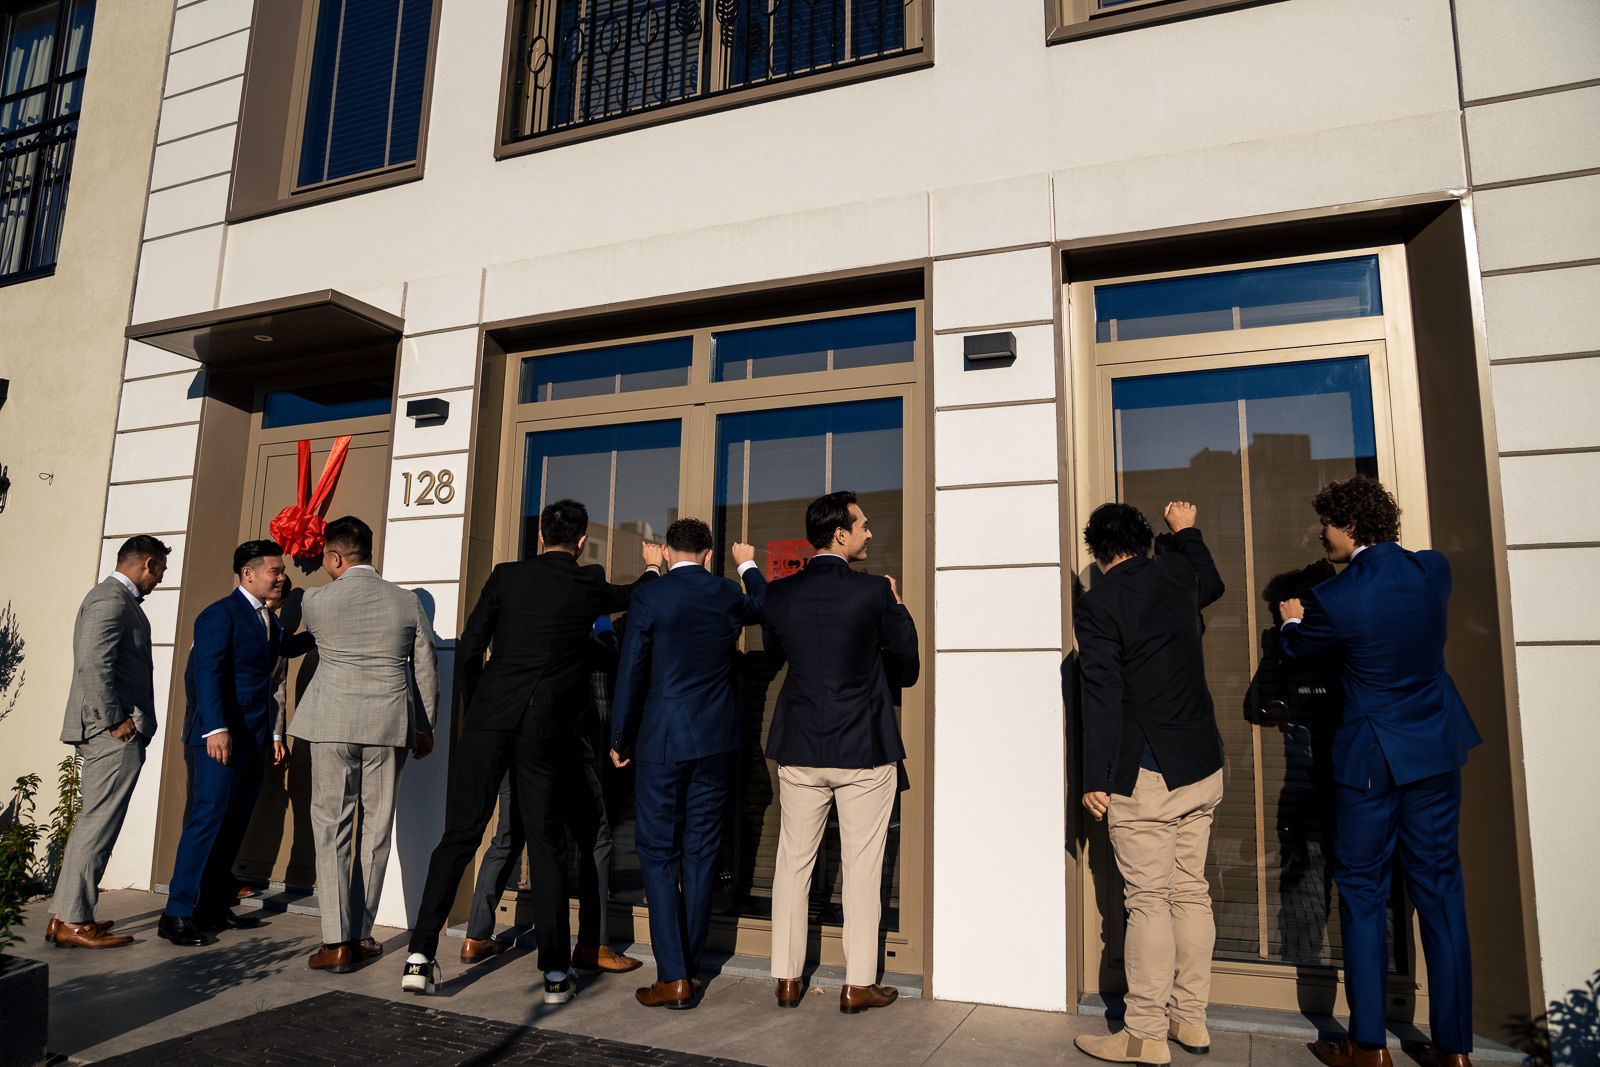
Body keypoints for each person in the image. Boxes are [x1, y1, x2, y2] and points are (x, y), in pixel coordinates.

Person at [403, 499, 662, 1002]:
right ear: (581, 541)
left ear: (540, 535)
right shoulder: (586, 582)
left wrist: (479, 708)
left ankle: (418, 956)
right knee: (546, 844)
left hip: (488, 722)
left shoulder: (505, 576)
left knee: (459, 836)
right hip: (547, 728)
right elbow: (633, 594)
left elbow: (472, 644)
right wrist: (654, 566)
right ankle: (554, 974)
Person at [1278, 477, 1481, 1067]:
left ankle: (1368, 1046)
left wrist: (1291, 619)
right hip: (1436, 752)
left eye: (1328, 526)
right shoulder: (1434, 571)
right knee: (1441, 893)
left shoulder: (1333, 599)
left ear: (1351, 528)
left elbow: (1297, 651)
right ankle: (1453, 1050)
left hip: (1368, 761)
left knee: (1363, 894)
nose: (1322, 536)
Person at [1072, 501, 1227, 1067]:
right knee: (1190, 891)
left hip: (1149, 773)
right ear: (1144, 539)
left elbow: (1103, 694)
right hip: (1201, 763)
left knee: (1148, 901)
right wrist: (1186, 534)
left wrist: (1097, 778)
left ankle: (1143, 1034)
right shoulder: (1177, 572)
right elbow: (1213, 581)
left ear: (1097, 552)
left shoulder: (1098, 605)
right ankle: (1191, 1020)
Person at [763, 490, 918, 1014]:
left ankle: (786, 977)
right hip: (862, 749)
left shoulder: (780, 594)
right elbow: (907, 660)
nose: (870, 533)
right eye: (864, 525)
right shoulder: (875, 592)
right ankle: (857, 983)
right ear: (840, 534)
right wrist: (896, 606)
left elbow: (773, 651)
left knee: (792, 863)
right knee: (862, 866)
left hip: (801, 745)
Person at [610, 518, 767, 1009]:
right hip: (716, 739)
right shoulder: (725, 593)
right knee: (700, 853)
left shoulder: (652, 595)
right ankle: (690, 971)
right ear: (707, 552)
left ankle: (672, 976)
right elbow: (762, 605)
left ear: (668, 551)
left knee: (658, 855)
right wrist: (748, 564)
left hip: (662, 739)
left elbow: (632, 667)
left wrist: (619, 735)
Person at [291, 516, 438, 973]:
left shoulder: (315, 600)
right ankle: (361, 934)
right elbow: (425, 668)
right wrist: (425, 725)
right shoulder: (407, 602)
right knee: (375, 832)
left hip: (331, 723)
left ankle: (334, 942)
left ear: (335, 557)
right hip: (388, 725)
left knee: (331, 827)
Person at [459, 618, 637, 974]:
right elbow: (609, 659)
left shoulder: (509, 631)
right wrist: (603, 628)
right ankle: (595, 944)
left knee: (507, 837)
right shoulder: (566, 627)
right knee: (595, 839)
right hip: (564, 747)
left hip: (514, 742)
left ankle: (476, 935)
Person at [159, 539, 304, 946]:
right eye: (274, 571)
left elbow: (284, 649)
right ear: (249, 574)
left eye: (281, 571)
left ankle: (212, 905)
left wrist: (325, 632)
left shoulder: (268, 620)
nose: (281, 578)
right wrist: (215, 729)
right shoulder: (220, 614)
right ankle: (176, 914)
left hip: (253, 742)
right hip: (216, 740)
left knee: (233, 824)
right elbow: (205, 673)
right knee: (206, 822)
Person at [45, 536, 170, 949]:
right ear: (147, 564)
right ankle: (76, 920)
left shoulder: (114, 599)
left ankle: (66, 913)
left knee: (92, 823)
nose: (161, 579)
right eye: (162, 571)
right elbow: (92, 661)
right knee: (99, 825)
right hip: (110, 731)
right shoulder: (110, 599)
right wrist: (114, 719)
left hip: (110, 729)